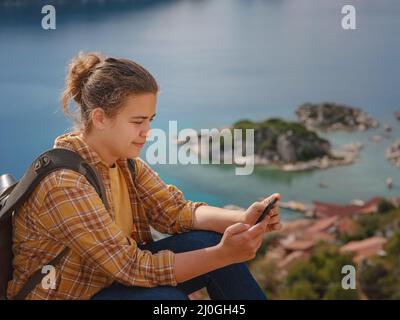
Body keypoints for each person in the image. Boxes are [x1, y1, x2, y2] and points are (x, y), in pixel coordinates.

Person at [7, 52, 282, 300]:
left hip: (106, 281)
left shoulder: (124, 163)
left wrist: (244, 218)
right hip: (73, 294)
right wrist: (224, 253)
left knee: (207, 242)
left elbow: (174, 212)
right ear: (100, 118)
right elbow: (131, 267)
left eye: (150, 120)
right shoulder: (65, 184)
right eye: (138, 122)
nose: (147, 132)